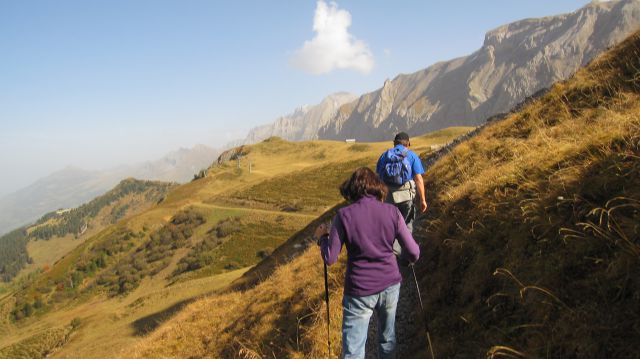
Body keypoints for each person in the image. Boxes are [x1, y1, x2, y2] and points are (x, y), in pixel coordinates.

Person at [314, 167, 420, 359]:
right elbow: (413, 252)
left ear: (352, 189)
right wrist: (406, 260)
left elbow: (330, 258)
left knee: (353, 350)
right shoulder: (392, 212)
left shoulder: (343, 216)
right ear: (377, 187)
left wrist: (322, 238)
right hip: (390, 285)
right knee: (387, 340)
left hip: (359, 291)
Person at [376, 132, 427, 257]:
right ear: (408, 144)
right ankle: (407, 254)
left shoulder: (384, 156)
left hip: (388, 198)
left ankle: (391, 255)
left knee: (390, 226)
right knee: (406, 224)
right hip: (406, 197)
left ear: (394, 143)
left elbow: (378, 179)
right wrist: (422, 200)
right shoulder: (411, 156)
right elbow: (418, 179)